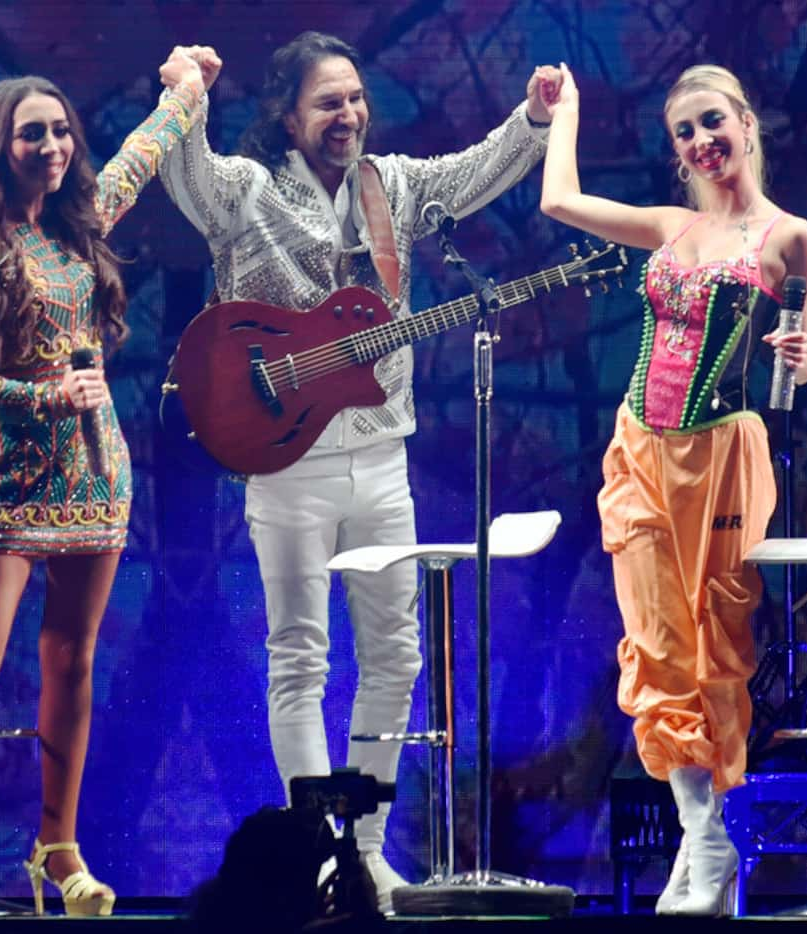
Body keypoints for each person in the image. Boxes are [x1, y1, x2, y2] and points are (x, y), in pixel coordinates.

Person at [157, 32, 556, 912]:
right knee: (299, 656)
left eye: (355, 98)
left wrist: (531, 119)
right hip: (285, 461)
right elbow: (190, 181)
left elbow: (472, 173)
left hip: (382, 457)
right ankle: (311, 862)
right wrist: (187, 98)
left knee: (397, 656)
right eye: (327, 103)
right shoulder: (254, 191)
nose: (348, 115)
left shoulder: (394, 187)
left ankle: (363, 853)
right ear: (290, 118)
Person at [0, 56, 205, 916]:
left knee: (73, 658)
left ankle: (58, 848)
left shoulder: (79, 228)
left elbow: (140, 157)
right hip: (11, 475)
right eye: (31, 132)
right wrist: (45, 395)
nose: (52, 145)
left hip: (96, 472)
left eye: (61, 130)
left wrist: (186, 91)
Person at [539, 63, 807, 915]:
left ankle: (707, 841)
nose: (702, 142)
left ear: (744, 121)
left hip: (724, 457)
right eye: (685, 133)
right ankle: (702, 838)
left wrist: (801, 357)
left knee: (715, 647)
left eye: (713, 123)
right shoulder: (672, 225)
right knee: (657, 640)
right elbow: (559, 202)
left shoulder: (790, 238)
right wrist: (569, 113)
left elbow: (800, 358)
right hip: (640, 448)